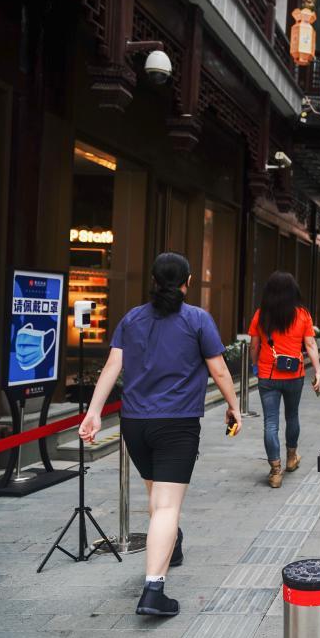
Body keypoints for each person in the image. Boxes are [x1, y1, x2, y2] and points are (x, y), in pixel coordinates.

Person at [79, 252, 241, 617]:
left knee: (157, 496)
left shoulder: (132, 319)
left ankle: (172, 544)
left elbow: (112, 367)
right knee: (167, 505)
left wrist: (93, 412)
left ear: (153, 281)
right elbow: (219, 370)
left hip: (135, 424)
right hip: (176, 424)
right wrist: (234, 406)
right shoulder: (197, 319)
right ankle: (154, 589)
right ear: (188, 281)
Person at [249, 271, 320, 488]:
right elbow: (310, 345)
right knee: (292, 416)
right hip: (294, 375)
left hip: (268, 375)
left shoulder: (261, 315)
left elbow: (254, 346)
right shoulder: (302, 315)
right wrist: (317, 371)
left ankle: (275, 471)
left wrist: (255, 365)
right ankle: (291, 458)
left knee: (270, 423)